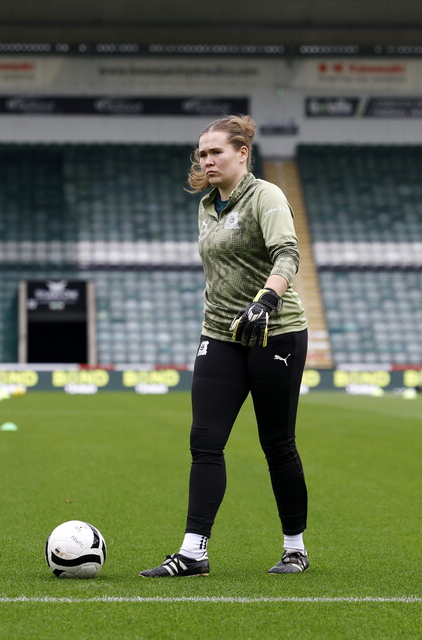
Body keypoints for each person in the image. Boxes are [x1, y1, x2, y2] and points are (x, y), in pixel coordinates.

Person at [139, 115, 310, 577]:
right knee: (205, 440)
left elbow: (287, 253)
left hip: (275, 331)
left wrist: (267, 300)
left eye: (215, 151)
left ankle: (294, 546)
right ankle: (194, 553)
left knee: (277, 444)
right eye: (202, 153)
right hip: (219, 333)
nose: (206, 160)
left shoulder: (266, 196)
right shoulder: (207, 205)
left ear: (242, 154)